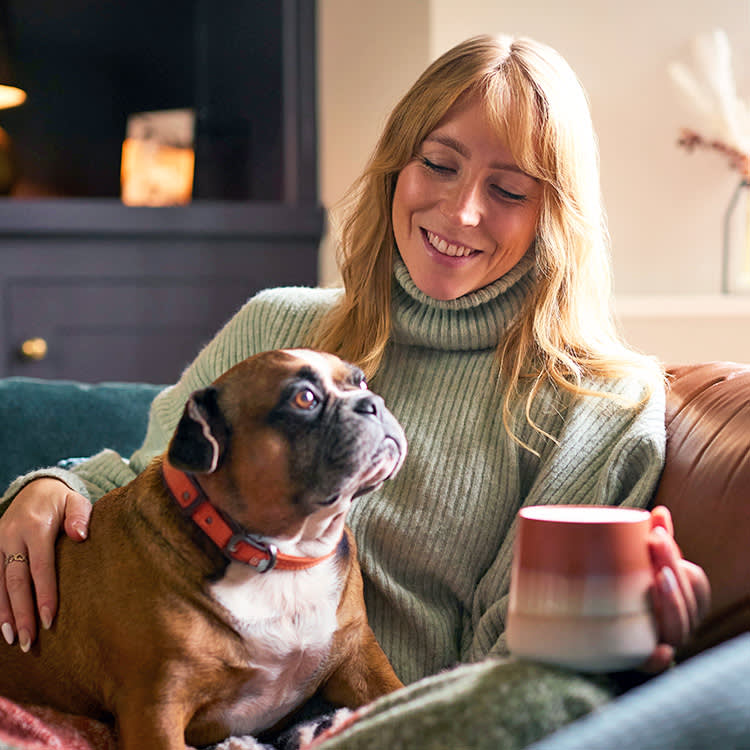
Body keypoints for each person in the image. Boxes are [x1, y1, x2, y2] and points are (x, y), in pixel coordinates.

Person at [0, 33, 709, 745]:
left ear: (555, 213)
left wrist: (622, 648)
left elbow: (513, 678)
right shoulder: (282, 328)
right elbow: (150, 478)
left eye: (508, 190)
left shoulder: (600, 405)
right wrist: (51, 488)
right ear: (396, 166)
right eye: (438, 164)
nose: (462, 211)